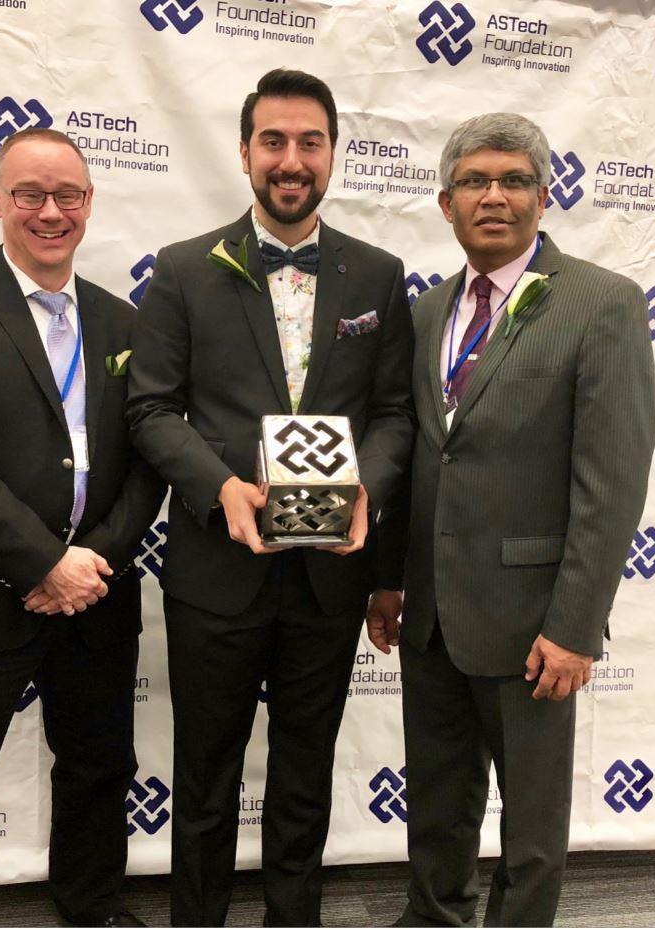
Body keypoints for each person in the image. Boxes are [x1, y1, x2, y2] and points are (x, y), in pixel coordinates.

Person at [126, 69, 414, 926]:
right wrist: (220, 486)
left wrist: (368, 485)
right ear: (246, 151)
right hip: (217, 570)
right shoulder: (183, 270)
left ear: (332, 153)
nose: (293, 160)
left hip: (330, 576)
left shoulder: (379, 275)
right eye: (275, 141)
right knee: (207, 775)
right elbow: (148, 407)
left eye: (310, 142)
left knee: (303, 772)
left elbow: (395, 414)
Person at [366, 112, 655, 927]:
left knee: (530, 827)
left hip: (534, 624)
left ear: (542, 195)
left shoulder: (602, 304)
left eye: (514, 180)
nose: (494, 196)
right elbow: (418, 458)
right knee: (437, 804)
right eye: (475, 182)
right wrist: (389, 579)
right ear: (445, 203)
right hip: (428, 616)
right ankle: (434, 917)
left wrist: (575, 625)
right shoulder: (424, 314)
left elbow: (611, 486)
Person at [0, 127, 164, 927]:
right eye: (30, 195)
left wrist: (89, 564)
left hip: (96, 595)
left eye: (68, 195)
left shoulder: (125, 323)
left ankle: (93, 909)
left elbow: (150, 461)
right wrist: (46, 563)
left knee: (97, 769)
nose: (51, 212)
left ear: (89, 204)